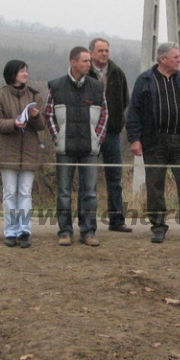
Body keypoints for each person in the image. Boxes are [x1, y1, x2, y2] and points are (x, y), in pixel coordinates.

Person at [125, 42, 180, 244]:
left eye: (179, 56)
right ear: (163, 59)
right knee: (155, 185)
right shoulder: (145, 80)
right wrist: (135, 139)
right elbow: (134, 112)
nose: (179, 59)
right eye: (175, 57)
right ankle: (158, 227)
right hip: (154, 143)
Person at [45, 46, 108, 247]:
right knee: (64, 192)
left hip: (90, 149)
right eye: (85, 61)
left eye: (89, 61)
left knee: (89, 192)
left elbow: (104, 115)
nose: (89, 64)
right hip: (65, 149)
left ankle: (88, 232)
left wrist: (96, 138)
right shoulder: (56, 86)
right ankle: (64, 231)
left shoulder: (97, 87)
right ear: (73, 62)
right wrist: (57, 137)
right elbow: (48, 114)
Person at [0, 59, 45, 248]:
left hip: (29, 151)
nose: (26, 74)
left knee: (25, 192)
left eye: (26, 70)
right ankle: (10, 231)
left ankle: (24, 230)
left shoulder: (34, 96)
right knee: (10, 192)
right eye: (22, 71)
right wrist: (13, 123)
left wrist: (35, 116)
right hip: (8, 152)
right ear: (13, 73)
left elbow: (41, 126)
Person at [89, 38, 132, 233]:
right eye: (100, 51)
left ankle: (116, 219)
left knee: (114, 178)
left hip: (112, 133)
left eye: (106, 50)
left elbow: (124, 101)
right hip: (89, 133)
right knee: (88, 178)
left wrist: (114, 121)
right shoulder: (85, 73)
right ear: (91, 53)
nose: (104, 54)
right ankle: (88, 220)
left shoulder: (117, 73)